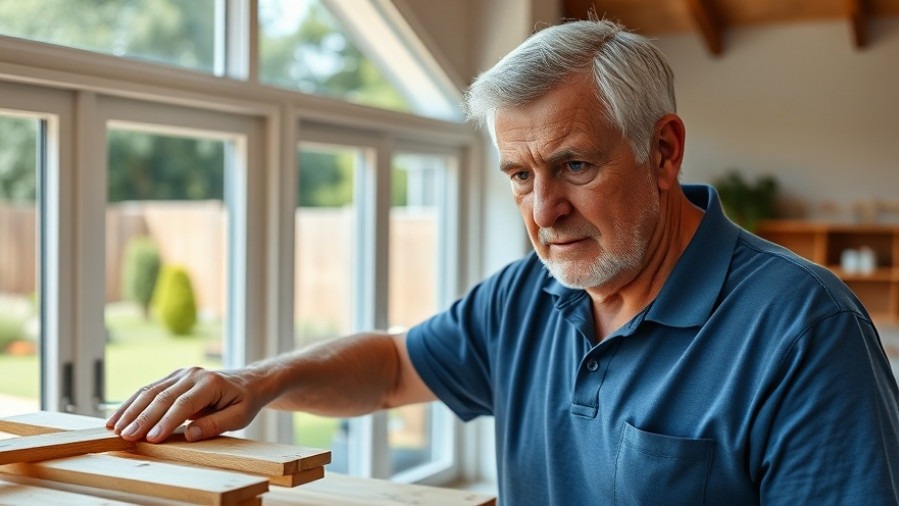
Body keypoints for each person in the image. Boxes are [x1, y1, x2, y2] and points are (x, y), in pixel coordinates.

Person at [108, 18, 899, 504]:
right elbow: (389, 369)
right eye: (520, 176)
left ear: (661, 151)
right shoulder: (526, 297)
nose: (542, 210)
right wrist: (258, 381)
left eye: (574, 167)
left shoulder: (803, 328)